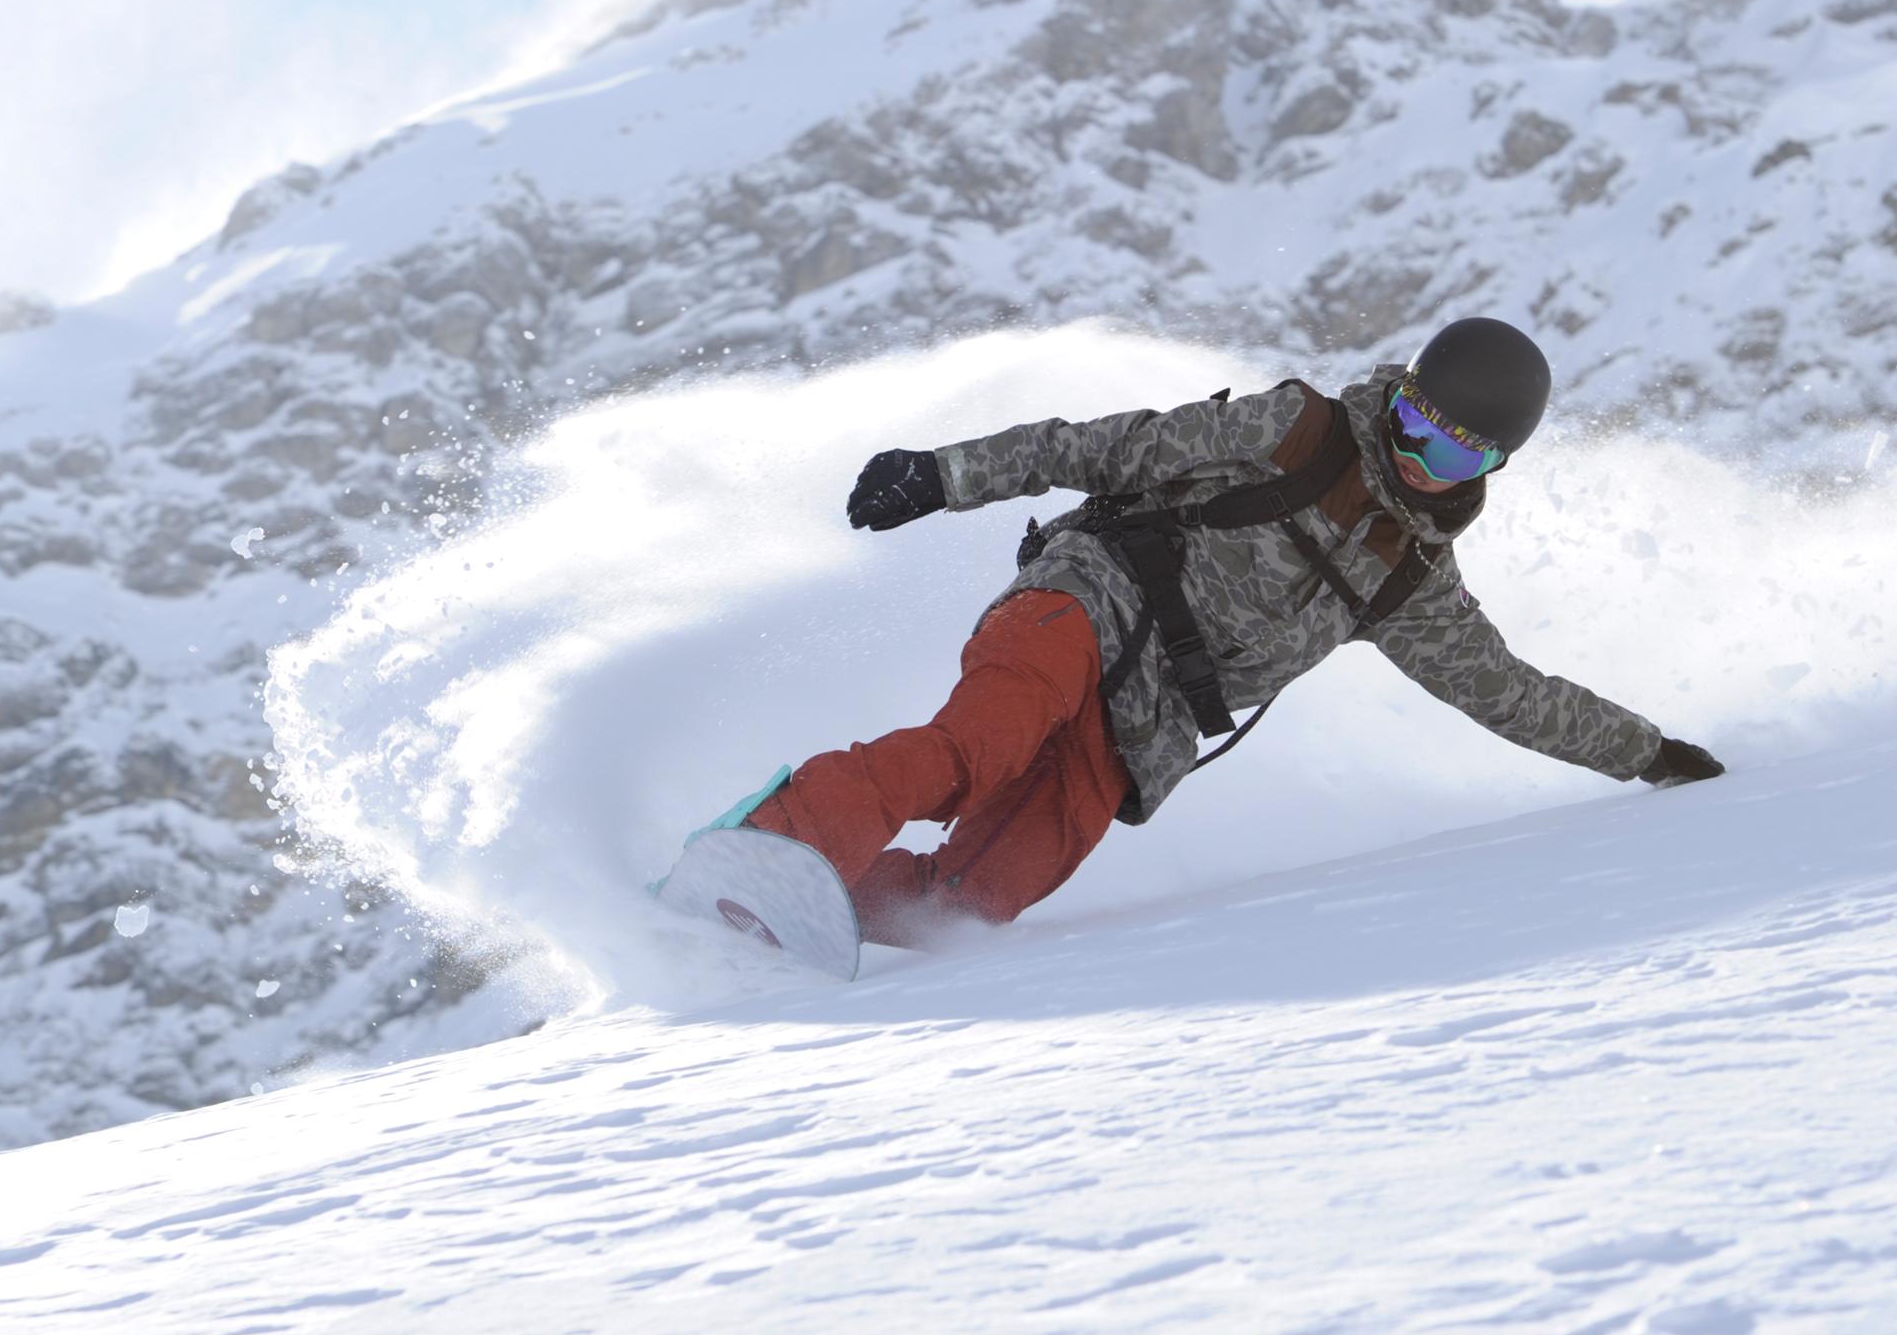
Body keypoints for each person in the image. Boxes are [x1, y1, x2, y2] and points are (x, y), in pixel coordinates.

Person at [730, 316, 1725, 947]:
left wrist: (1649, 753)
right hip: (1085, 602)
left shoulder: (1410, 576)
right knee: (973, 753)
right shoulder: (1295, 430)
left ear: (1491, 469)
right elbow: (1106, 447)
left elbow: (1509, 692)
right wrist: (944, 475)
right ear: (1400, 398)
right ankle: (762, 852)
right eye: (1416, 426)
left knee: (971, 901)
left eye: (1455, 455)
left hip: (1144, 722)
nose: (1421, 461)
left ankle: (805, 910)